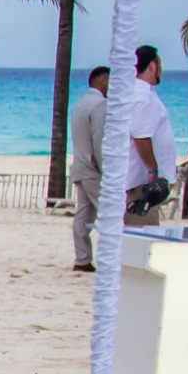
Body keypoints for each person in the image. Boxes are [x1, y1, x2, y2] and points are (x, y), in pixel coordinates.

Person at [127, 44, 176, 227]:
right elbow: (141, 137)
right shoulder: (142, 96)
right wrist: (153, 170)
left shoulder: (143, 93)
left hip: (141, 182)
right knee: (142, 236)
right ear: (153, 65)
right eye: (160, 64)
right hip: (142, 184)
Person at [70, 65, 109, 271]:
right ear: (103, 80)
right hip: (93, 169)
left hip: (80, 166)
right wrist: (106, 170)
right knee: (108, 214)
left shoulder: (80, 104)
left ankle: (82, 259)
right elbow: (99, 141)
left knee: (83, 214)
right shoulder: (100, 104)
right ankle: (108, 259)